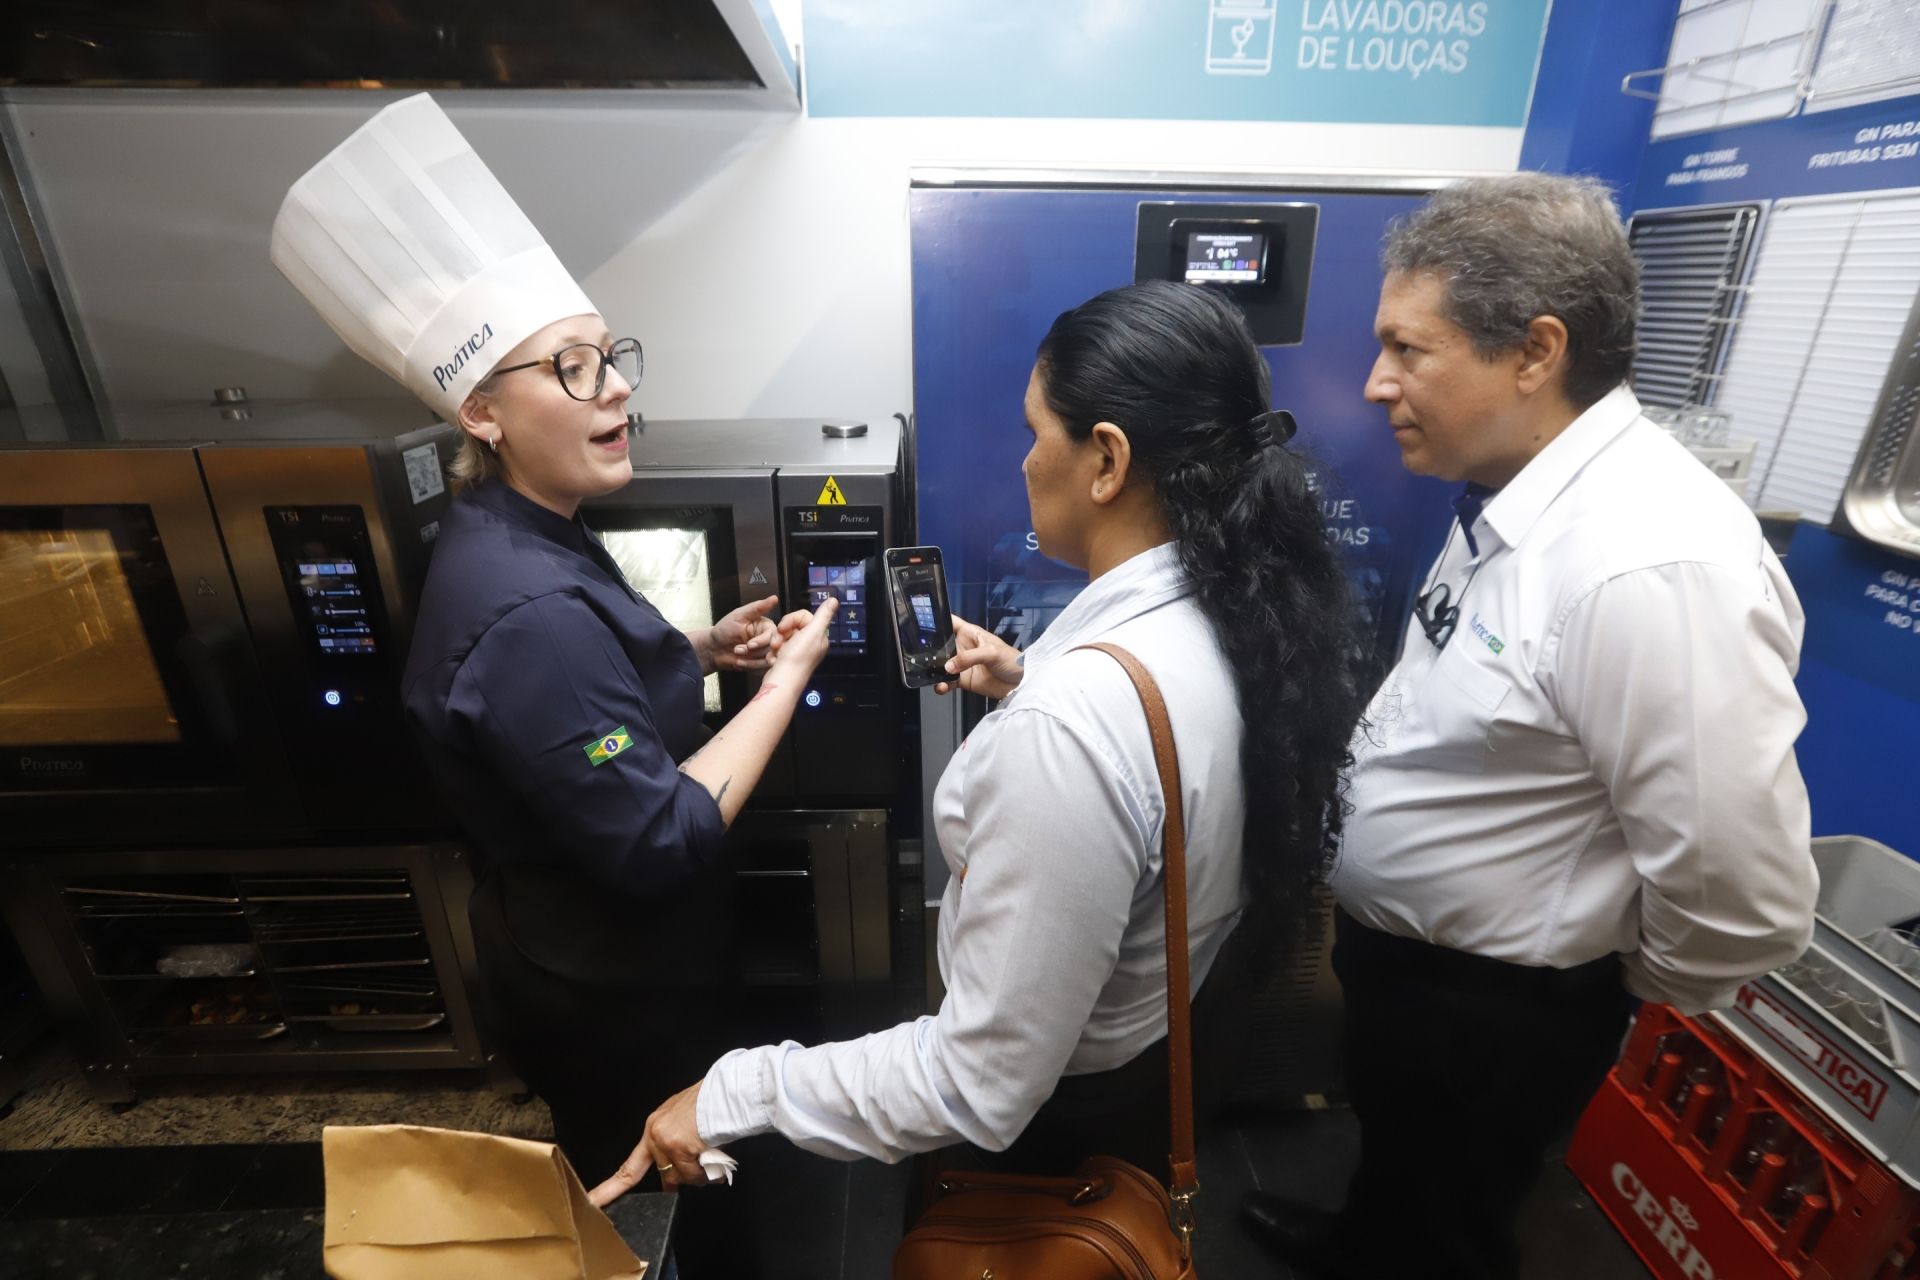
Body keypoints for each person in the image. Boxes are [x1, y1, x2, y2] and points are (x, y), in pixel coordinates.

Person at [587, 279, 1367, 1221]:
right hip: (1157, 1053)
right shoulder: (1237, 614)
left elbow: (978, 1085)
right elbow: (1150, 758)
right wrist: (1032, 676)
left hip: (1064, 1126)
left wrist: (732, 1092)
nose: (1025, 460)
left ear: (1107, 460)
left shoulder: (1075, 729)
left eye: (1037, 432)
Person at [271, 95, 836, 1275]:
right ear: (481, 410)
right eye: (570, 369)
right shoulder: (525, 608)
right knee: (665, 1193)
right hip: (608, 980)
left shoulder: (520, 524)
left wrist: (693, 649)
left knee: (687, 1163)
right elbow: (661, 833)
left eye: (610, 357)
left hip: (600, 951)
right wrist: (784, 678)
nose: (616, 388)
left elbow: (569, 693)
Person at [1239, 173, 1819, 1280]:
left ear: (1537, 351)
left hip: (1499, 1010)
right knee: (1405, 1167)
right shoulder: (1513, 490)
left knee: (1450, 1224)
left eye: (1411, 349)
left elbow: (1739, 889)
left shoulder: (1652, 563)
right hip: (1417, 976)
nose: (1375, 383)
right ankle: (1368, 1239)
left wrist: (1587, 982)